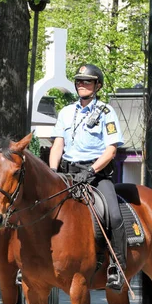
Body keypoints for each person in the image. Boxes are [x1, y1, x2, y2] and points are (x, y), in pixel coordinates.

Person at [49, 63, 126, 291]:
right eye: (79, 81)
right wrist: (53, 173)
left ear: (97, 85)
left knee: (113, 215)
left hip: (96, 175)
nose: (82, 84)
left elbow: (111, 150)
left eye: (87, 81)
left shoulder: (106, 112)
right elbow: (57, 145)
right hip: (68, 173)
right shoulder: (65, 112)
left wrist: (91, 171)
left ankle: (117, 267)